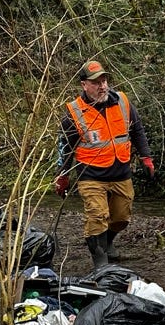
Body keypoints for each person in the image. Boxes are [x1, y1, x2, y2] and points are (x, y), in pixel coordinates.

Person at [54, 60, 154, 269]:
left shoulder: (123, 102)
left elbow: (137, 131)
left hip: (120, 171)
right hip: (91, 176)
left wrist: (146, 157)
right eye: (96, 82)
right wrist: (62, 175)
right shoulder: (73, 113)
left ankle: (107, 243)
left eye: (104, 80)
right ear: (84, 85)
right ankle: (100, 261)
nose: (103, 86)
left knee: (121, 217)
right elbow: (65, 148)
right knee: (97, 215)